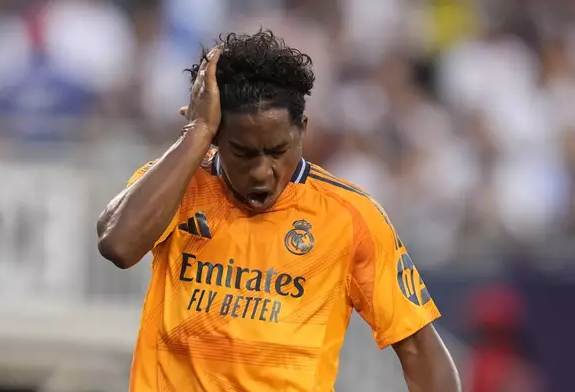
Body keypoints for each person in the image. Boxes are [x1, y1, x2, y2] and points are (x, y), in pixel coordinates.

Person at [97, 30, 461, 392]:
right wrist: (195, 132)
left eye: (276, 151)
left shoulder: (349, 216)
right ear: (217, 137)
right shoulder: (177, 184)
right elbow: (119, 245)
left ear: (302, 131)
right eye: (243, 152)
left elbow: (420, 352)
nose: (262, 171)